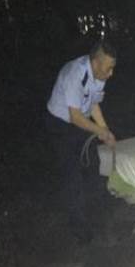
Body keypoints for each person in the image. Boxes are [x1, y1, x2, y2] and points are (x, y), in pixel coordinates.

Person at [45, 39, 117, 244]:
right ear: (95, 63)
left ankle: (98, 214)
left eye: (112, 68)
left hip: (80, 122)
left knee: (94, 165)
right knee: (72, 176)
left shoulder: (99, 75)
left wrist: (106, 130)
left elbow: (93, 105)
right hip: (60, 124)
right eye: (108, 68)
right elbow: (75, 117)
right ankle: (79, 229)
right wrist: (99, 131)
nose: (111, 73)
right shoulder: (74, 74)